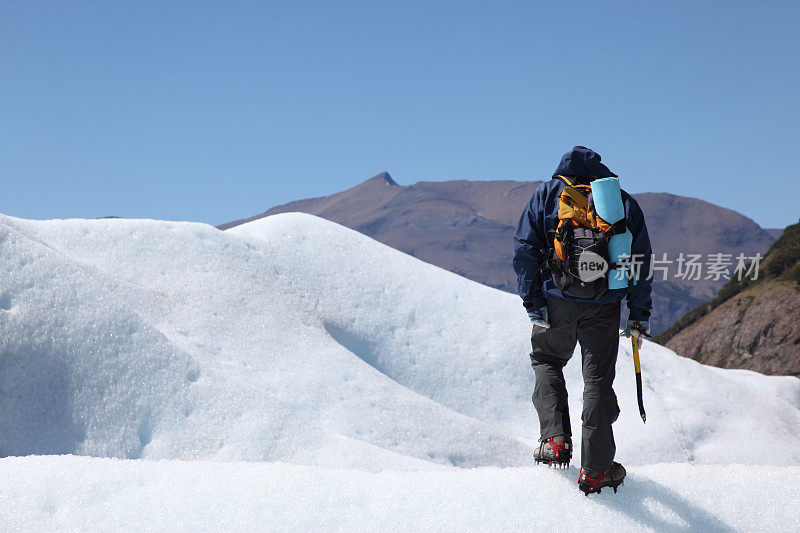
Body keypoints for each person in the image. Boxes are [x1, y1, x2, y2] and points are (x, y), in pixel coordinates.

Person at [512, 146, 653, 495]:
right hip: (604, 305)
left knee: (547, 360)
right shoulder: (618, 200)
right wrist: (639, 314)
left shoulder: (547, 195)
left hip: (557, 300)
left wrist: (532, 300)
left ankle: (555, 440)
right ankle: (595, 470)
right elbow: (640, 261)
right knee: (597, 381)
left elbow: (525, 250)